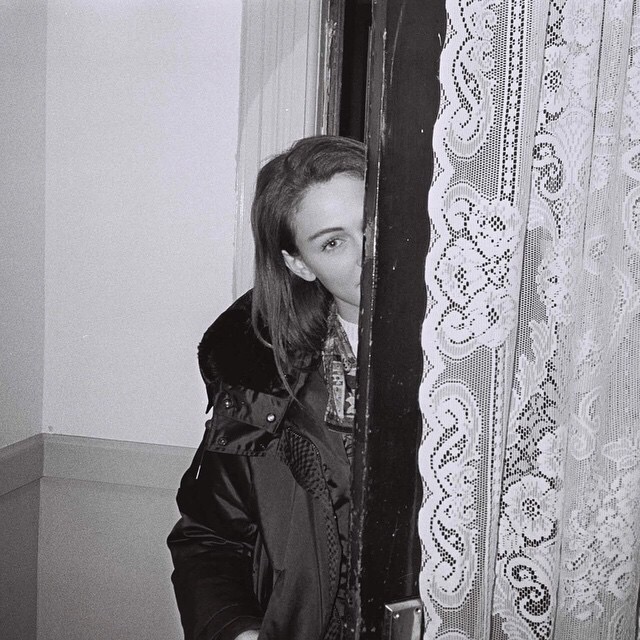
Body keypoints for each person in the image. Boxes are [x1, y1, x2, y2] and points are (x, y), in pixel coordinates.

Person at [168, 135, 366, 640]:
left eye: (372, 223)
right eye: (333, 242)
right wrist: (237, 630)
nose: (369, 253)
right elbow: (209, 538)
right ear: (300, 264)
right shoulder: (262, 384)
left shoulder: (480, 367)